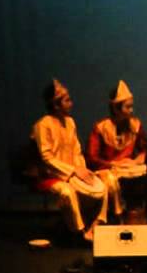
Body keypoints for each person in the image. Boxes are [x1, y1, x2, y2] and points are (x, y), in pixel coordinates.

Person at [31, 79, 108, 241]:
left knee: (103, 183)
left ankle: (96, 225)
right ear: (56, 105)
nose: (71, 103)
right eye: (67, 100)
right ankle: (79, 232)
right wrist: (73, 171)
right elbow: (46, 158)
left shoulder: (70, 123)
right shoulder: (42, 125)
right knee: (67, 192)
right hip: (51, 175)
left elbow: (77, 152)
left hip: (73, 173)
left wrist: (82, 171)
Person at [86, 80, 147, 222]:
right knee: (111, 182)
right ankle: (118, 217)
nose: (131, 110)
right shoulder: (101, 128)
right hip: (107, 169)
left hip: (128, 167)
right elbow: (92, 158)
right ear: (116, 109)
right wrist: (114, 164)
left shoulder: (135, 125)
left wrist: (137, 160)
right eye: (127, 107)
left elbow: (145, 148)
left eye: (131, 106)